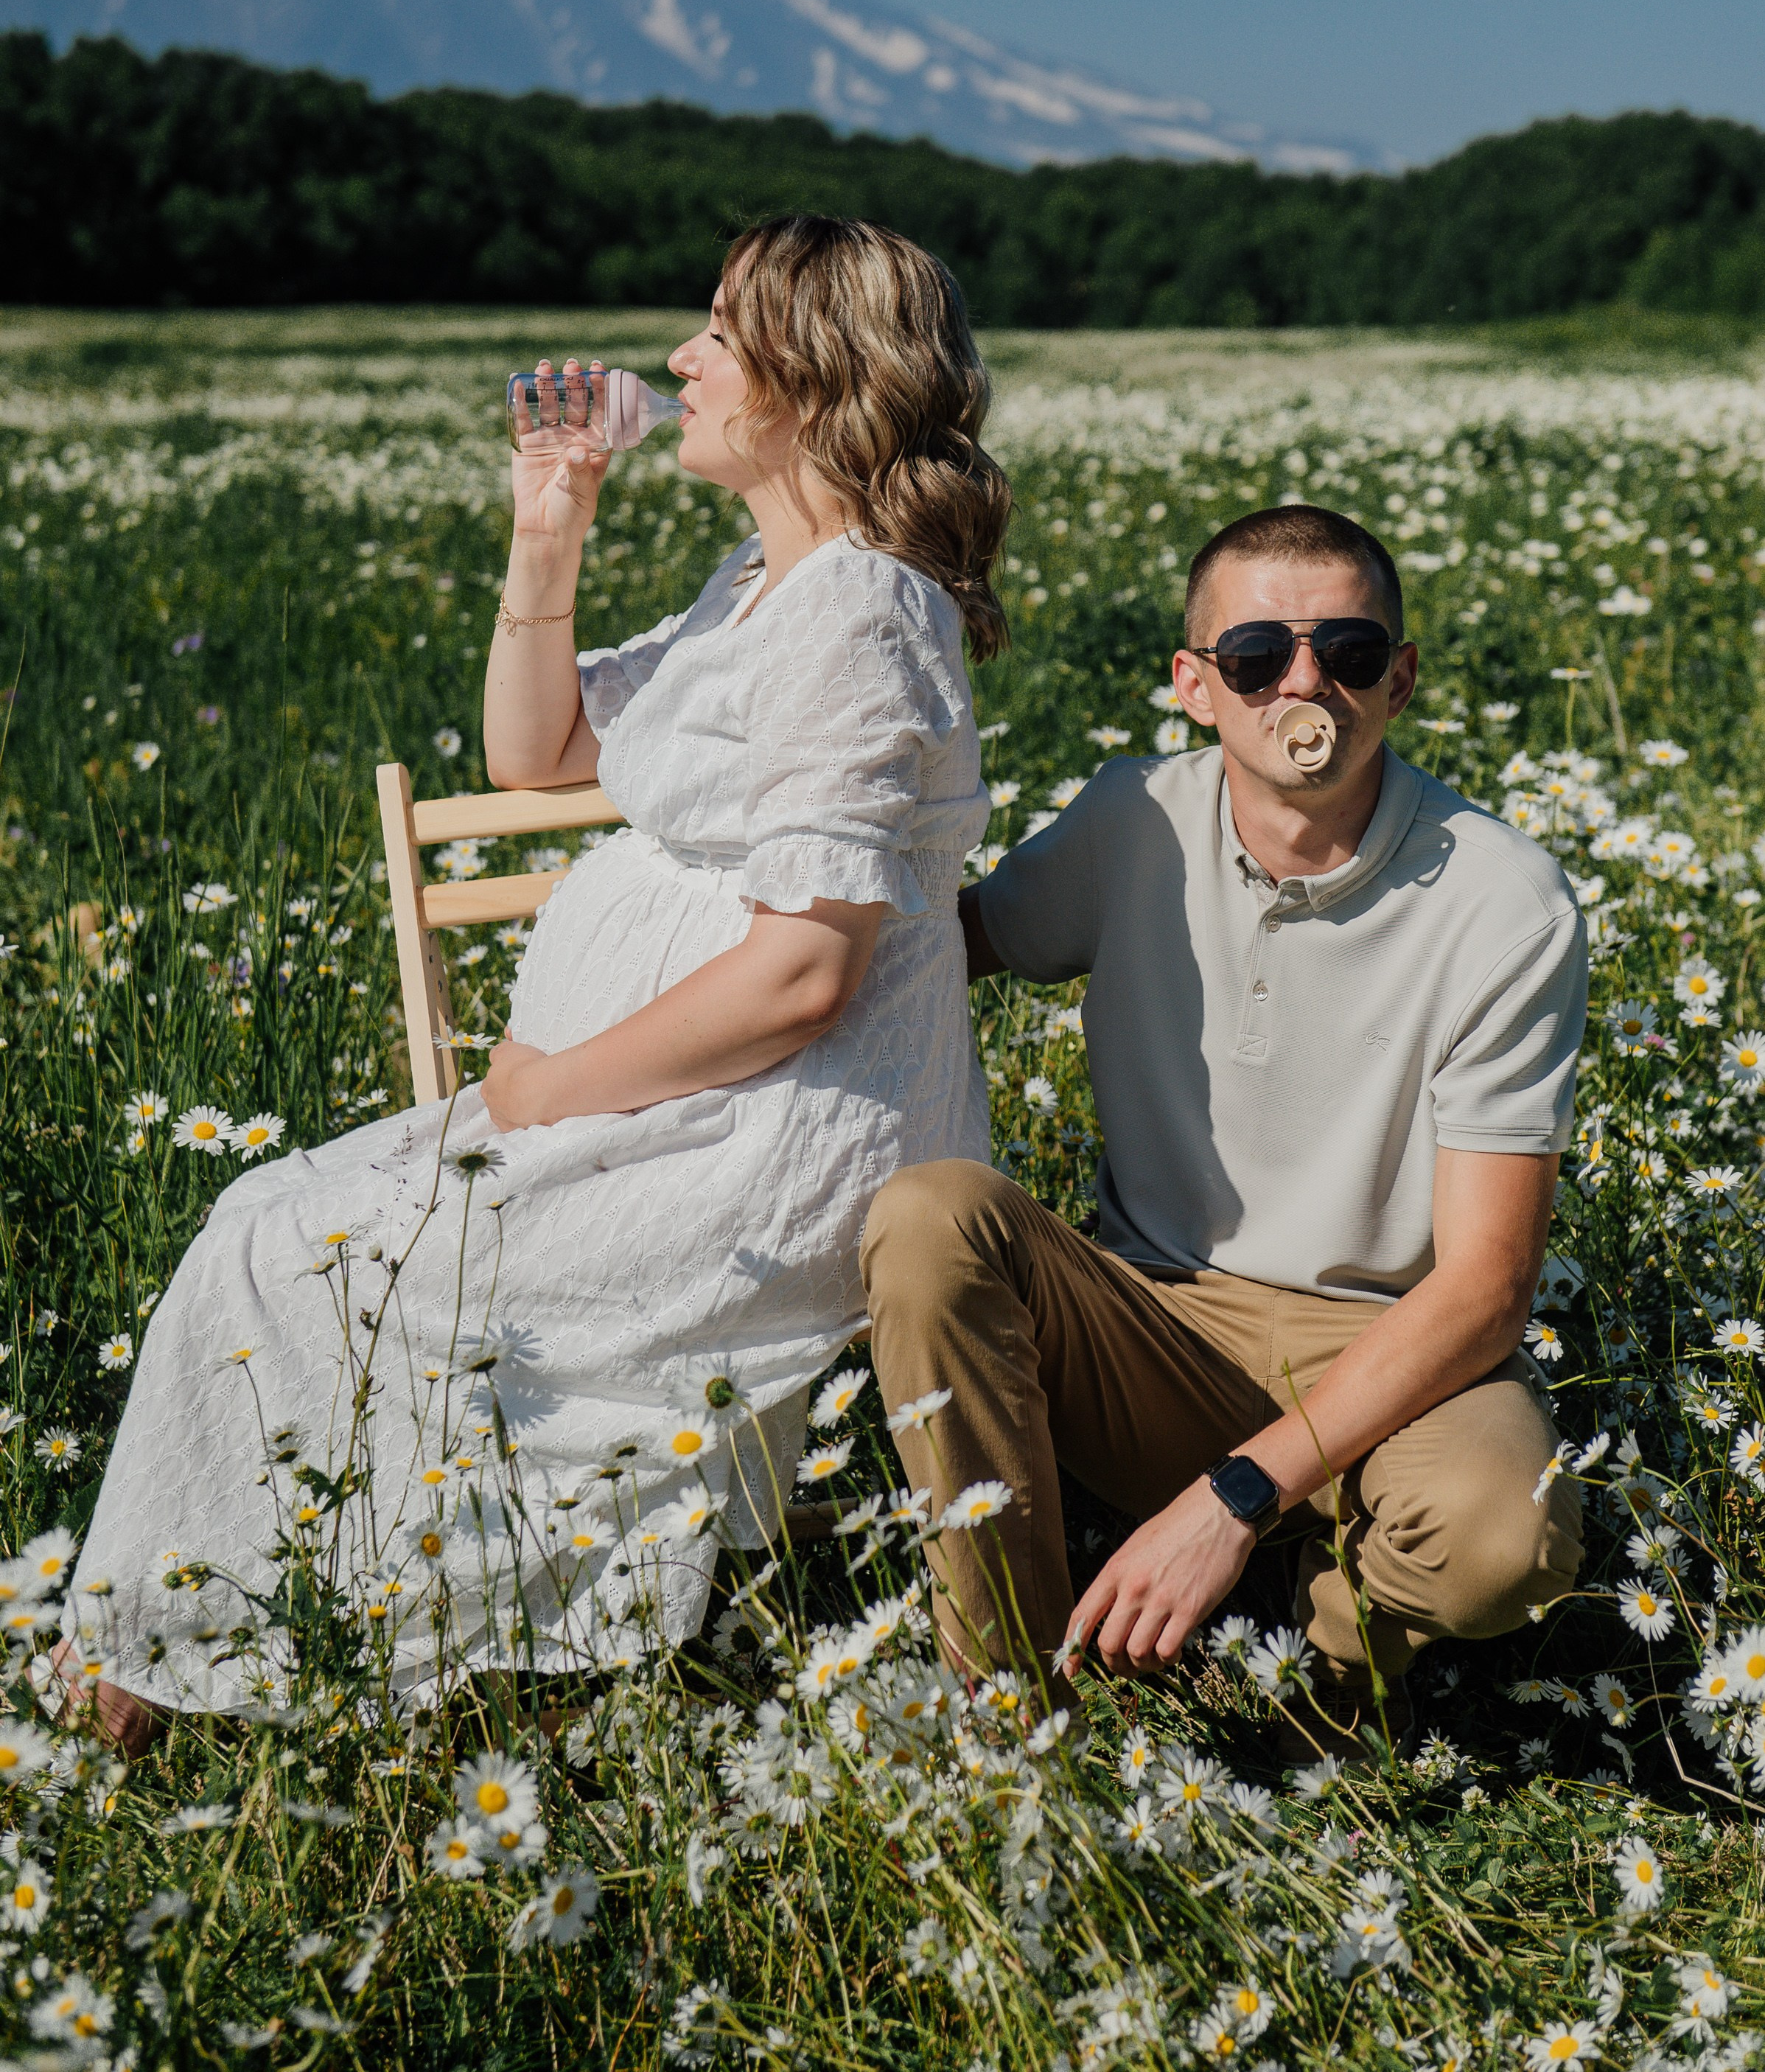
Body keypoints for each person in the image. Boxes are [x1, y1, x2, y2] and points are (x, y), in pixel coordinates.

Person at [60, 216, 1010, 1752]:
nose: (681, 362)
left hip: (765, 1138)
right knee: (263, 1232)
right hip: (666, 1103)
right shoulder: (755, 584)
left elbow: (801, 973)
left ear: (813, 379)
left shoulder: (862, 610)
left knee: (298, 1251)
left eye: (717, 330)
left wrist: (551, 1087)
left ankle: (198, 1677)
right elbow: (541, 753)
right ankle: (184, 1658)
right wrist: (549, 520)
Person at [862, 503, 1587, 1750]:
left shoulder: (1503, 900)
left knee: (1507, 1531)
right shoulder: (1131, 821)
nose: (1306, 686)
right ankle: (1014, 1715)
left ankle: (1327, 1657)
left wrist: (1236, 1497)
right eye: (1258, 656)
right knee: (929, 1219)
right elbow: (931, 957)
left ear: (1399, 682)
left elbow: (1486, 1290)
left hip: (1387, 1345)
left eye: (1350, 653)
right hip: (1153, 1318)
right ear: (1197, 687)